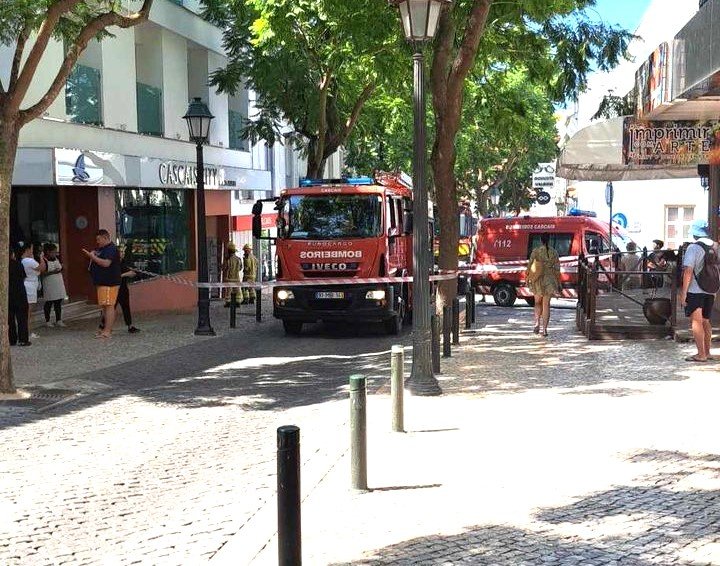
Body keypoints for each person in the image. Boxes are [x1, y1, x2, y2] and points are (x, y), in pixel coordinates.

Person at [679, 220, 718, 363]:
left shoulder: (693, 248)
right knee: (706, 321)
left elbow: (688, 270)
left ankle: (700, 354)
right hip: (711, 289)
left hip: (696, 289)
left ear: (694, 234)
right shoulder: (716, 246)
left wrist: (683, 293)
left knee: (696, 321)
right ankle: (707, 352)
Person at [83, 229, 121, 339]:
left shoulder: (111, 249)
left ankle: (107, 331)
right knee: (105, 306)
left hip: (110, 282)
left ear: (105, 238)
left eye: (99, 240)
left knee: (109, 306)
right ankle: (105, 328)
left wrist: (92, 257)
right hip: (102, 282)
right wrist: (94, 254)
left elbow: (106, 263)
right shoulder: (102, 249)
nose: (97, 242)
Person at [100, 244, 140, 333]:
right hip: (114, 288)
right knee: (111, 307)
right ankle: (103, 325)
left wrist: (133, 272)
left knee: (126, 306)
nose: (122, 253)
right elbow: (114, 276)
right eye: (120, 252)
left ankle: (130, 326)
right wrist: (126, 274)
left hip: (123, 288)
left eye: (122, 252)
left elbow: (129, 271)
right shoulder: (113, 263)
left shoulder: (124, 262)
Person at [526, 233, 561, 337]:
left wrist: (528, 278)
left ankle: (537, 322)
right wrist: (558, 283)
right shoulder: (554, 252)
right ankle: (545, 330)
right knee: (546, 305)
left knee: (537, 302)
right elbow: (557, 269)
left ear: (541, 240)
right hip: (550, 280)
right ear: (549, 240)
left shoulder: (536, 251)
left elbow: (530, 266)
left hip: (538, 279)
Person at [20, 242, 46, 339]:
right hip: (30, 286)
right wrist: (41, 258)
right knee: (29, 311)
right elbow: (42, 268)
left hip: (29, 284)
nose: (32, 250)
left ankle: (26, 331)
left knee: (28, 311)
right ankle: (28, 332)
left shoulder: (24, 260)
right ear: (27, 250)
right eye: (31, 248)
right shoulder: (29, 261)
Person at [41, 243, 67, 327]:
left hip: (58, 282)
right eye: (53, 252)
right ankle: (47, 320)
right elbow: (41, 273)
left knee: (58, 302)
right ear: (48, 252)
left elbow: (60, 267)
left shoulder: (56, 259)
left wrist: (62, 268)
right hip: (49, 283)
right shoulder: (43, 260)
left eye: (56, 252)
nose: (55, 254)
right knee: (49, 302)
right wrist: (53, 272)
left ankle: (58, 319)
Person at [8, 247, 30, 346]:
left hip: (8, 295)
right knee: (22, 318)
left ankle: (11, 339)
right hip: (19, 293)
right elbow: (24, 276)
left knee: (10, 318)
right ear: (12, 254)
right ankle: (23, 339)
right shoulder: (18, 264)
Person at [222, 242, 242, 307]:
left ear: (229, 251)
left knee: (228, 291)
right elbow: (240, 268)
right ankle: (238, 302)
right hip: (237, 278)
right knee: (237, 291)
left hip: (229, 278)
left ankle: (228, 302)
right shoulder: (239, 259)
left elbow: (225, 268)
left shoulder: (228, 259)